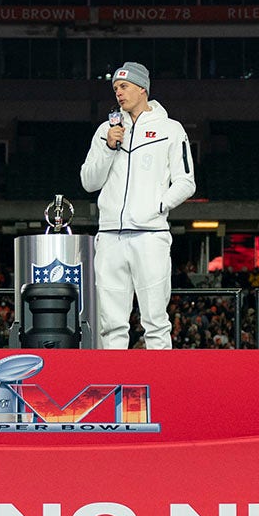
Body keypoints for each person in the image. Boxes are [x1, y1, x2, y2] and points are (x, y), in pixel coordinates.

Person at [80, 61, 196, 349]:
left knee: (156, 322)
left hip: (150, 235)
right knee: (111, 325)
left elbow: (186, 182)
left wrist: (158, 206)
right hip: (110, 236)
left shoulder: (170, 129)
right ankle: (114, 376)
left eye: (124, 86)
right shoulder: (106, 130)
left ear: (142, 88)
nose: (118, 93)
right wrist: (109, 147)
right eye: (115, 88)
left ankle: (161, 378)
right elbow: (89, 181)